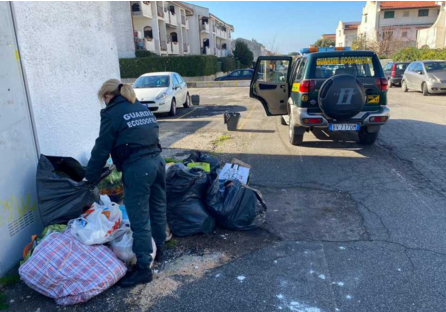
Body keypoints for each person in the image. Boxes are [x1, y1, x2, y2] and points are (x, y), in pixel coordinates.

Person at [84, 79, 166, 288]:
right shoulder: (140, 107)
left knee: (139, 219)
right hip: (157, 162)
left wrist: (90, 177)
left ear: (108, 96)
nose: (104, 102)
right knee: (157, 208)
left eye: (103, 98)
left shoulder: (112, 113)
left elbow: (102, 148)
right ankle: (161, 251)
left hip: (138, 168)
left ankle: (143, 270)